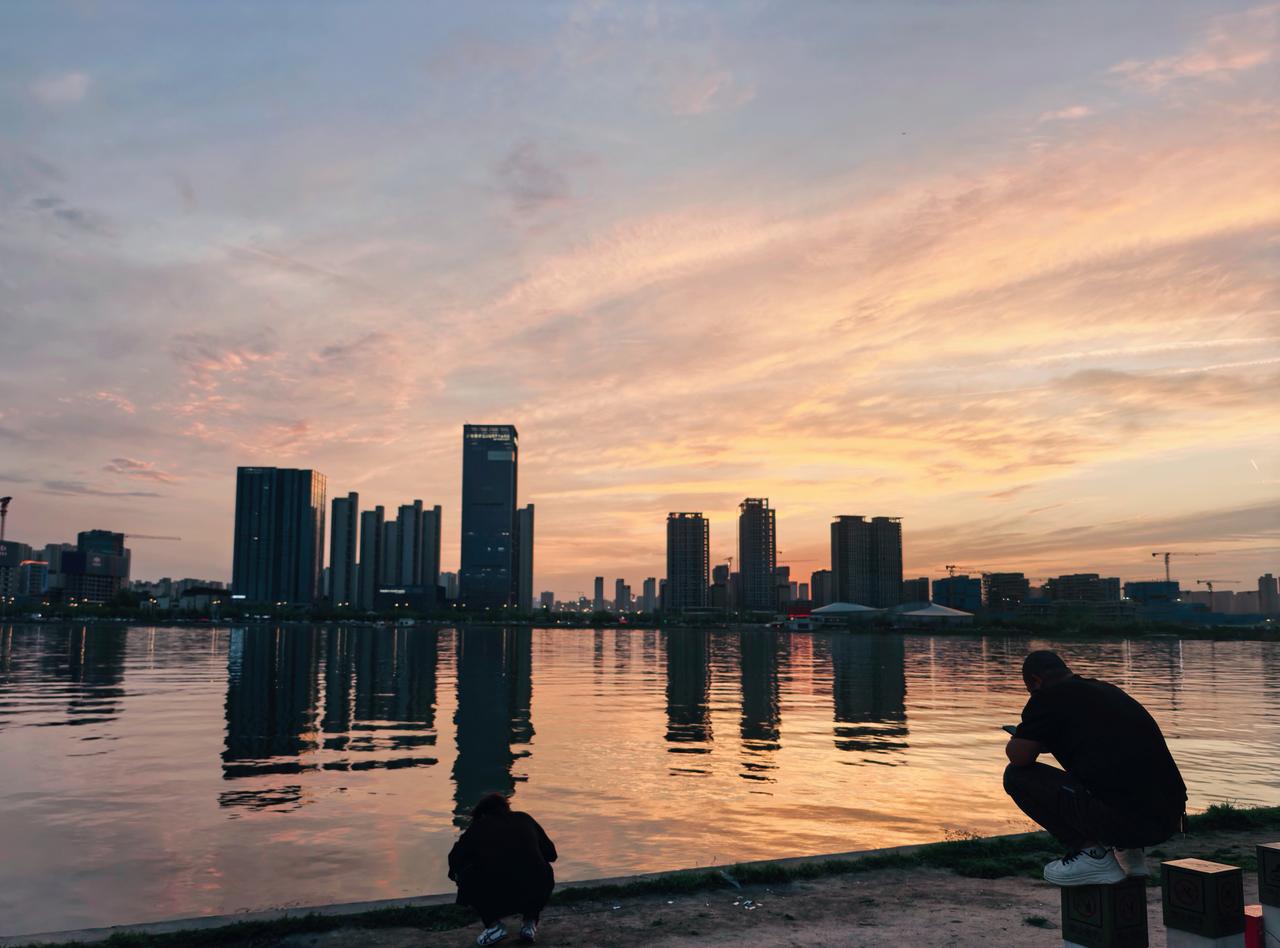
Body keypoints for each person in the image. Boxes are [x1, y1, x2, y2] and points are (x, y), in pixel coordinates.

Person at [1003, 650, 1186, 886]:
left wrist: (1020, 736)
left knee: (1016, 777)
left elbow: (1019, 757)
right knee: (1114, 769)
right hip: (1169, 819)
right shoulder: (1107, 690)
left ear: (1036, 681)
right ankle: (1131, 855)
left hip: (1127, 823)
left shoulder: (1047, 697)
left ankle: (1091, 855)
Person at [448, 793, 558, 946]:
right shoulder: (524, 818)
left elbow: (455, 858)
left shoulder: (478, 827)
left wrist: (458, 875)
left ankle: (493, 925)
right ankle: (530, 922)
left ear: (482, 813)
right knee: (540, 869)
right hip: (536, 890)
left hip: (498, 893)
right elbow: (551, 855)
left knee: (466, 874)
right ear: (507, 808)